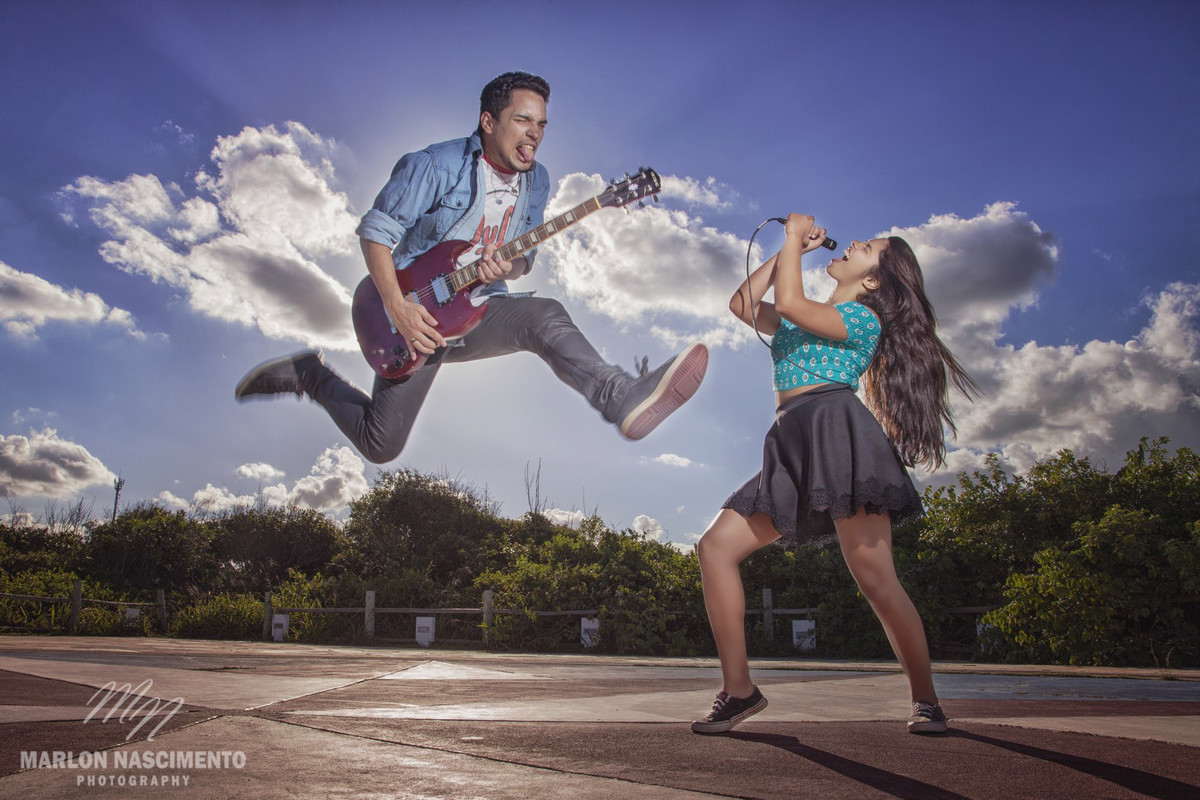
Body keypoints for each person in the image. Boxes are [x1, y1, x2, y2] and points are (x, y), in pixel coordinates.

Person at [234, 71, 707, 462]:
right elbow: (375, 232)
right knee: (381, 445)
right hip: (410, 315)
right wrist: (398, 307)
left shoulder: (537, 181)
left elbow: (524, 260)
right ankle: (311, 374)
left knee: (543, 315)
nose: (535, 133)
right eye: (523, 120)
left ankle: (619, 396)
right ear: (488, 121)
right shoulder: (436, 165)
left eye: (542, 124)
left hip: (476, 311)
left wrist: (507, 267)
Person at [691, 213, 977, 736]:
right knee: (715, 549)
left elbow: (791, 302)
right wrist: (790, 251)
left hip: (839, 435)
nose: (853, 243)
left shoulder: (863, 321)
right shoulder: (805, 317)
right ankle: (739, 690)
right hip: (790, 440)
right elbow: (743, 305)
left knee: (877, 581)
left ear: (873, 282)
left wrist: (793, 239)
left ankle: (927, 700)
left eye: (867, 248)